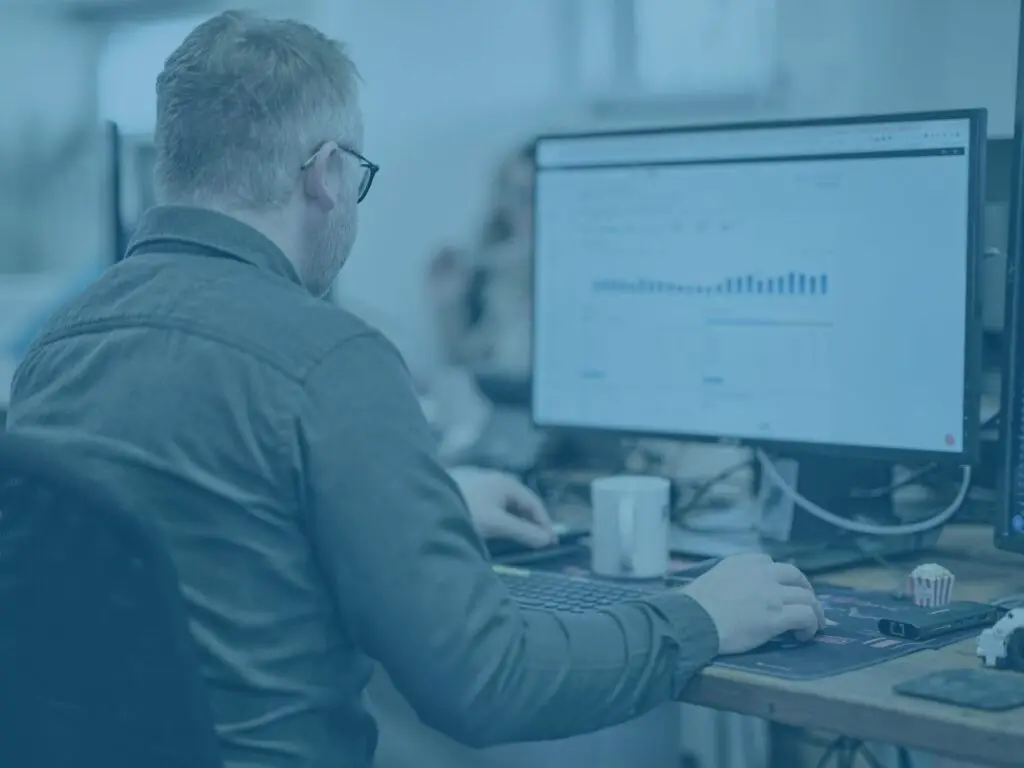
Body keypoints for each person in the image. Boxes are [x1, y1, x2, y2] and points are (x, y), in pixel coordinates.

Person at [5, 11, 825, 768]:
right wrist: (700, 617)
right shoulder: (331, 357)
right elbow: (487, 682)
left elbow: (187, 531)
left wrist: (416, 502)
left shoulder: (59, 348)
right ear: (327, 174)